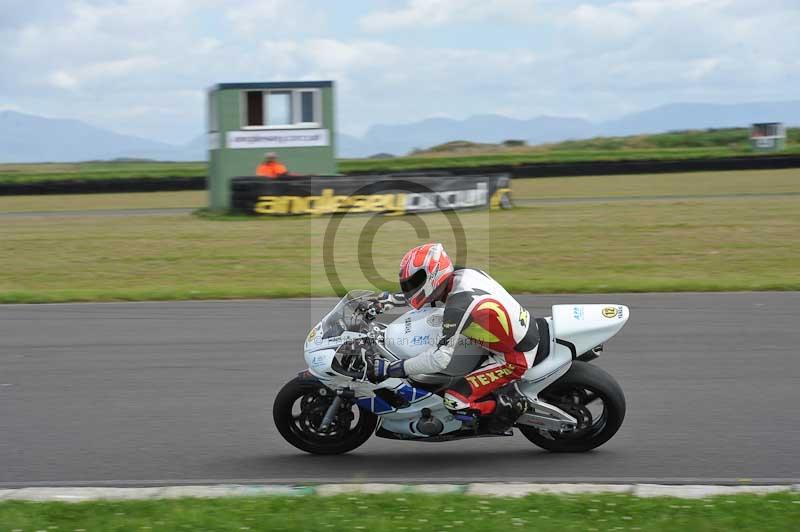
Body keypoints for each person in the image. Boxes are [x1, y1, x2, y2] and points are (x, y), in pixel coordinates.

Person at [369, 243, 542, 433]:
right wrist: (393, 300)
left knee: (454, 400)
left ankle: (512, 405)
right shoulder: (459, 274)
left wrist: (395, 368)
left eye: (414, 282)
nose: (410, 287)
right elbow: (431, 295)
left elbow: (439, 359)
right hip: (506, 333)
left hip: (512, 356)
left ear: (433, 275)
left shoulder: (458, 306)